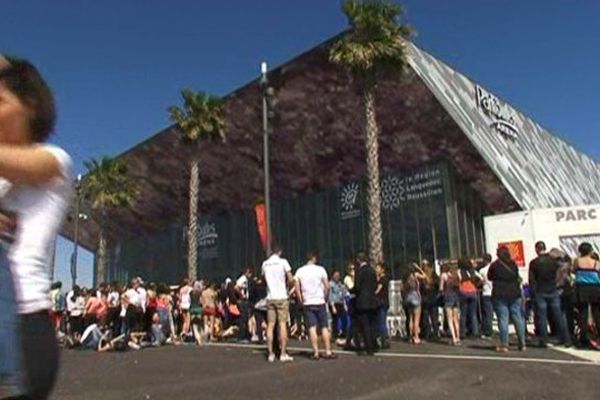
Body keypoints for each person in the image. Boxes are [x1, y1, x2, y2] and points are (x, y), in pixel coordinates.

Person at [0, 54, 72, 399]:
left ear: (29, 106)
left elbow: (26, 165)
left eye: (0, 101)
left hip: (22, 326)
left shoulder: (54, 161)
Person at [294, 251, 336, 360]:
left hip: (308, 301)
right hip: (320, 300)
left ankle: (316, 352)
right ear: (314, 258)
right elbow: (327, 286)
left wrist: (300, 299)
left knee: (311, 327)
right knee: (324, 327)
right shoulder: (321, 269)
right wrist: (325, 297)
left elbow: (297, 288)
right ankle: (328, 350)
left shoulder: (300, 271)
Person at [529, 241, 571, 347]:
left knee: (541, 316)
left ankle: (543, 340)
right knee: (558, 315)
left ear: (537, 249)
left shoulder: (534, 262)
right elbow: (558, 275)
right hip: (552, 289)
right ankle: (565, 338)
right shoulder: (553, 261)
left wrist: (532, 292)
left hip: (540, 290)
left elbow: (531, 279)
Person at [488, 246, 526, 352]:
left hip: (500, 293)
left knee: (503, 318)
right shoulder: (513, 264)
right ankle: (522, 342)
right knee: (517, 317)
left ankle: (504, 344)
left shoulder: (495, 265)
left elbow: (489, 277)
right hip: (514, 293)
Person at [261, 244, 294, 363]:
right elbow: (291, 279)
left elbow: (264, 279)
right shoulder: (283, 262)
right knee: (282, 324)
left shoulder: (265, 264)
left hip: (270, 297)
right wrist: (288, 286)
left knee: (270, 325)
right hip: (281, 296)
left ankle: (270, 353)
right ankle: (283, 353)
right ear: (279, 252)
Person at [571, 242, 600, 349]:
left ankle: (584, 339)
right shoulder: (596, 263)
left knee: (583, 314)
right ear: (590, 251)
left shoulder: (577, 261)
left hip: (582, 288)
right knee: (597, 313)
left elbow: (573, 271)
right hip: (595, 288)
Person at [352, 253, 378, 355]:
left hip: (362, 301)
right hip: (372, 300)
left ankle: (368, 347)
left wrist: (351, 291)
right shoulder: (372, 270)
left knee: (365, 325)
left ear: (359, 260)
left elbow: (357, 287)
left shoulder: (359, 271)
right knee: (372, 323)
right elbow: (375, 285)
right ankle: (374, 344)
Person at [403, 263, 426, 345]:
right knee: (416, 319)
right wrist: (419, 268)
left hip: (408, 297)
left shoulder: (405, 278)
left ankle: (410, 336)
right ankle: (416, 337)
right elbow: (424, 276)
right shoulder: (415, 275)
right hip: (415, 296)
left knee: (410, 318)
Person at [457, 258, 481, 338]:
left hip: (463, 292)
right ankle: (475, 331)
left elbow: (459, 279)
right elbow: (481, 278)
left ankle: (462, 332)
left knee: (463, 313)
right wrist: (476, 285)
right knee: (473, 313)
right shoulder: (472, 271)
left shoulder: (459, 271)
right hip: (473, 291)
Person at [440, 263, 461, 345]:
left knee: (449, 319)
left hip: (448, 296)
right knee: (456, 319)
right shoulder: (456, 275)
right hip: (455, 296)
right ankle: (458, 337)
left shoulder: (444, 276)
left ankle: (454, 338)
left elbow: (441, 288)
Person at [419, 260, 440, 340]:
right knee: (434, 316)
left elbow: (420, 287)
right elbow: (438, 284)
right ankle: (435, 333)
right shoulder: (433, 275)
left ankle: (427, 333)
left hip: (425, 298)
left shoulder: (422, 276)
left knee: (425, 316)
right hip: (433, 297)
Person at [374, 263, 390, 348]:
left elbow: (377, 290)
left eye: (378, 268)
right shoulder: (380, 279)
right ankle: (382, 339)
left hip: (382, 303)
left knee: (381, 322)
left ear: (382, 270)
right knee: (380, 321)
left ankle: (384, 340)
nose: (376, 270)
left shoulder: (383, 279)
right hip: (382, 303)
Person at [478, 254, 494, 338]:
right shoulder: (495, 268)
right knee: (493, 313)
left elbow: (481, 281)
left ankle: (488, 331)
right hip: (495, 292)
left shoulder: (482, 270)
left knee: (487, 313)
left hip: (486, 292)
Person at [235, 267, 253, 343]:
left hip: (245, 300)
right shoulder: (242, 279)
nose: (250, 275)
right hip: (243, 301)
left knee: (245, 318)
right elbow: (236, 287)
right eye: (250, 273)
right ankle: (242, 336)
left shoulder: (245, 280)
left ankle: (244, 335)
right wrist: (241, 295)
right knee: (243, 318)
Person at [329, 271, 348, 340]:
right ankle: (334, 334)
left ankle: (344, 332)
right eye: (335, 275)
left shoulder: (341, 285)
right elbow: (330, 296)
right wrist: (333, 306)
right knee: (335, 320)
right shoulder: (330, 284)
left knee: (344, 318)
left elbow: (344, 295)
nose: (337, 277)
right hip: (334, 303)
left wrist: (345, 304)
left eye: (338, 276)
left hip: (340, 303)